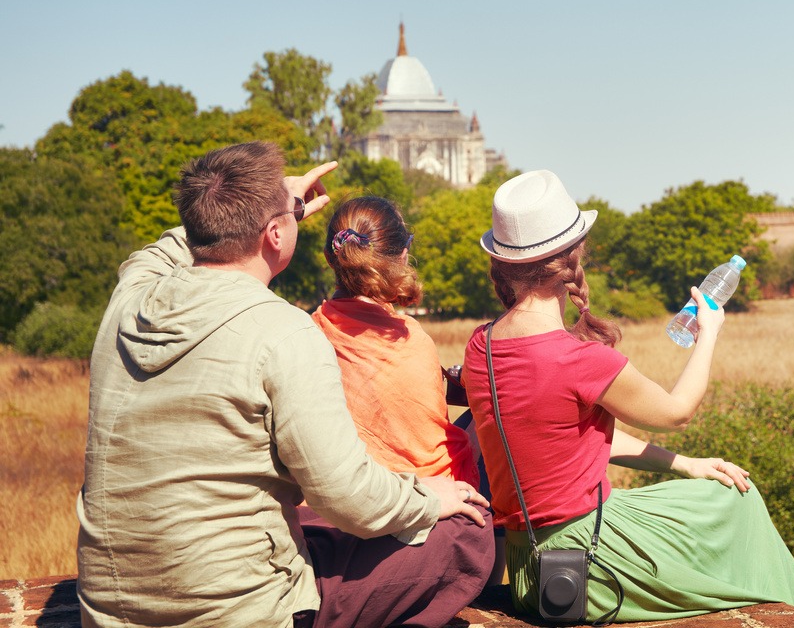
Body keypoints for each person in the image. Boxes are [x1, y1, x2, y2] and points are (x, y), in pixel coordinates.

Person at [78, 142, 493, 628]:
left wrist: (248, 204)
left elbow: (157, 253)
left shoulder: (128, 303)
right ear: (276, 234)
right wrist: (430, 498)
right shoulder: (285, 332)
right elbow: (349, 498)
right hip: (240, 611)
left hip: (107, 611)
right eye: (290, 215)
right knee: (467, 533)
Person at [462, 170, 794, 623]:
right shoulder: (577, 358)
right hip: (586, 557)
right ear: (574, 256)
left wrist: (686, 465)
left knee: (711, 489)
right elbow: (677, 412)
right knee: (738, 501)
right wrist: (708, 331)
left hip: (530, 563)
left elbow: (564, 442)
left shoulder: (482, 345)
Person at [311, 195, 498, 584]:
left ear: (332, 258)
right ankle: (490, 585)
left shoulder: (309, 330)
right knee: (489, 422)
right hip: (422, 504)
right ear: (403, 254)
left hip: (344, 504)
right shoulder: (414, 340)